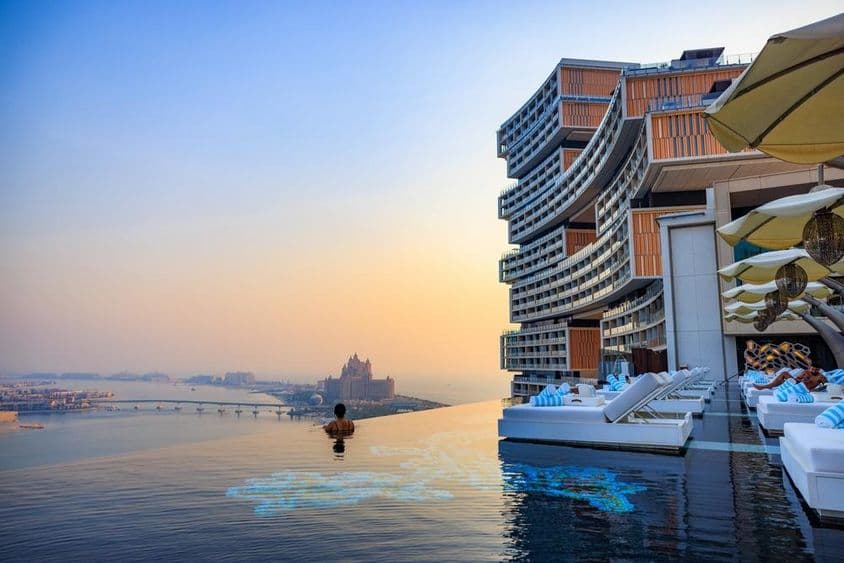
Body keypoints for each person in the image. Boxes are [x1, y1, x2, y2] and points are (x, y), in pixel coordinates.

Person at [752, 366, 828, 391]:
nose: (814, 370)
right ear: (809, 368)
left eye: (816, 369)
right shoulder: (806, 372)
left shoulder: (821, 377)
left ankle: (769, 386)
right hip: (799, 383)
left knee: (785, 377)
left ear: (819, 369)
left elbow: (826, 386)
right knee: (784, 373)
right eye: (812, 369)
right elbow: (798, 378)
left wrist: (816, 389)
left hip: (805, 388)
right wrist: (802, 379)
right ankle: (769, 385)